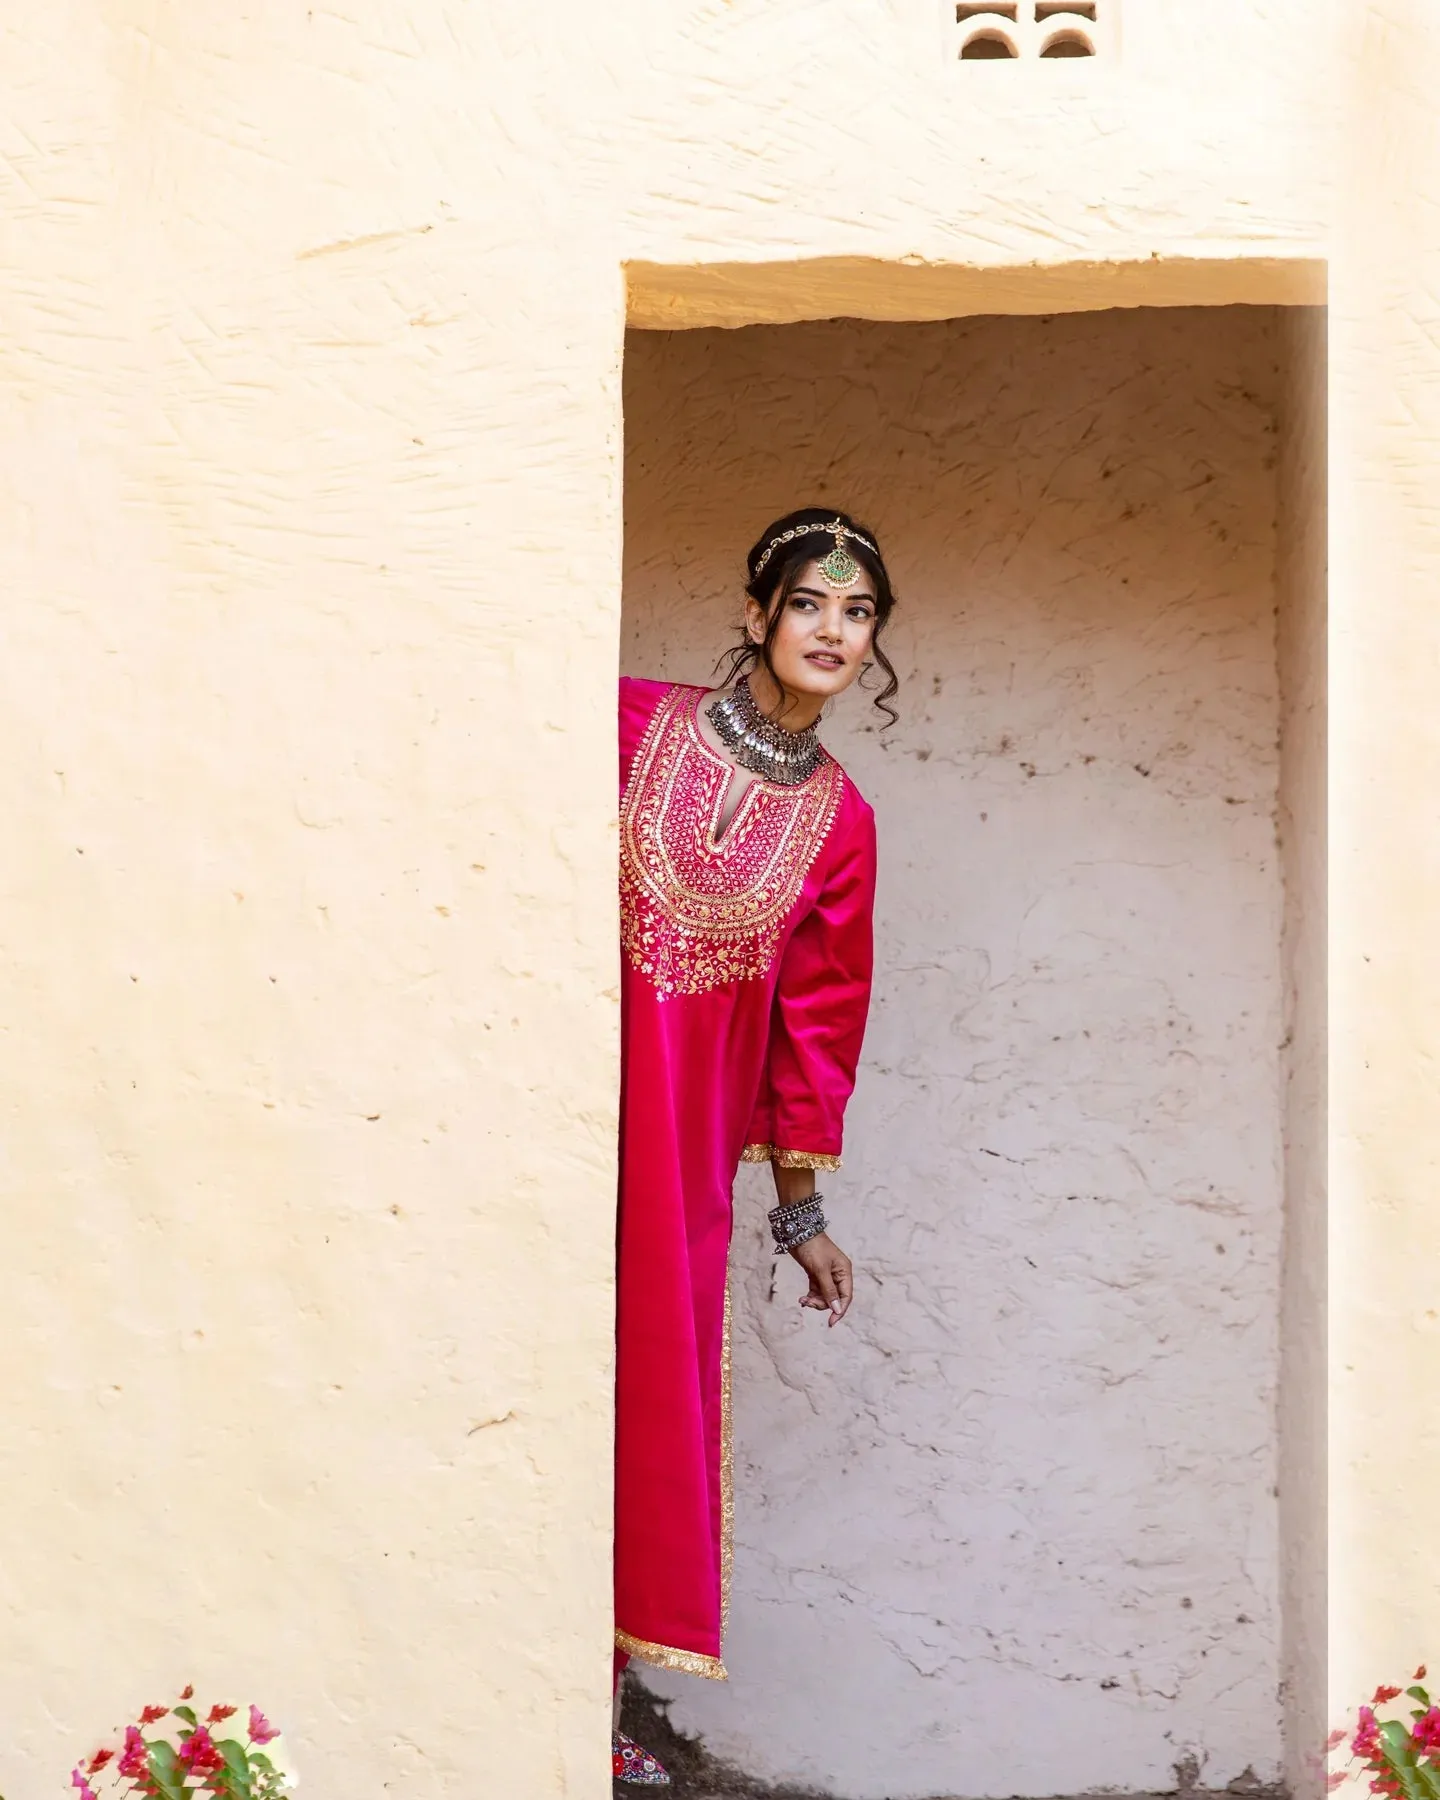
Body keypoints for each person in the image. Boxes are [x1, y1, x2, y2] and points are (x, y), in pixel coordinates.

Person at [611, 508, 898, 1788]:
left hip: (682, 1163)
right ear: (756, 618)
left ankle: (588, 1701)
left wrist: (800, 1215)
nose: (833, 631)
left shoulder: (842, 825)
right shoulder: (624, 726)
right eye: (810, 606)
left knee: (641, 1404)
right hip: (561, 1118)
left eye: (858, 615)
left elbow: (812, 1034)